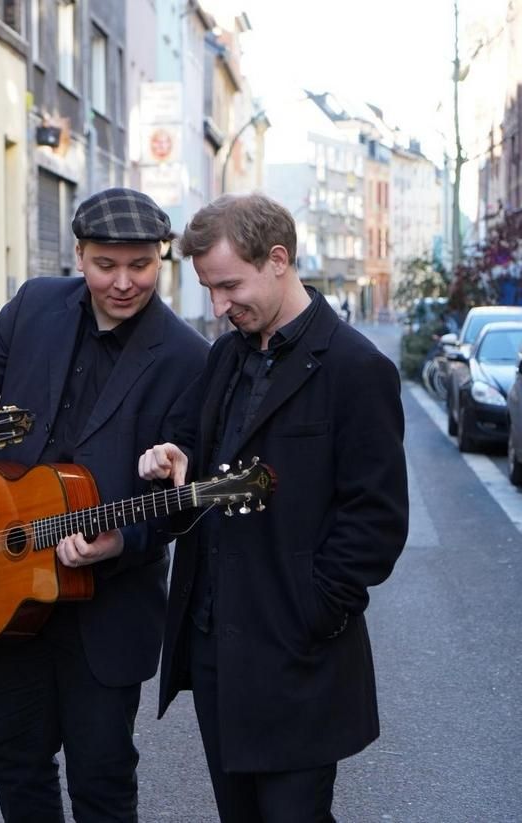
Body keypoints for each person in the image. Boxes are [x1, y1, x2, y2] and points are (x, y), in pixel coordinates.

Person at [0, 188, 209, 822]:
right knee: (15, 761)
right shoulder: (35, 305)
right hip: (7, 582)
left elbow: (182, 499)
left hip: (110, 605)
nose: (123, 282)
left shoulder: (190, 357)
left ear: (161, 258)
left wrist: (123, 540)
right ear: (79, 255)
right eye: (105, 265)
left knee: (101, 778)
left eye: (140, 265)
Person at [138, 193, 408, 822]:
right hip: (216, 649)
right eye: (208, 288)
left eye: (229, 286)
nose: (218, 306)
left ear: (278, 260)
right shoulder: (225, 356)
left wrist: (313, 610)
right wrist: (173, 463)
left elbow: (376, 521)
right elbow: (187, 452)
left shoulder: (357, 368)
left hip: (297, 656)